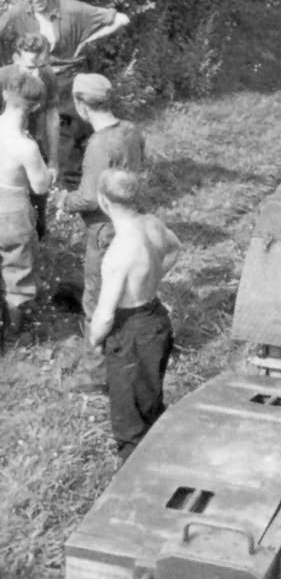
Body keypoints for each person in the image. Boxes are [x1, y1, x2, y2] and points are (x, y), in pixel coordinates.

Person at [0, 0, 130, 184]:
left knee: (69, 139)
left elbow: (121, 19)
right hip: (34, 81)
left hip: (68, 82)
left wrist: (88, 41)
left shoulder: (71, 8)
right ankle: (38, 185)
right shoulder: (18, 13)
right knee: (32, 134)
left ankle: (75, 193)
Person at [59, 73, 145, 391]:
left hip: (103, 227)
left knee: (96, 295)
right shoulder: (130, 130)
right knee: (126, 287)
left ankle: (95, 371)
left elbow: (89, 197)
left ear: (82, 105)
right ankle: (128, 345)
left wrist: (63, 200)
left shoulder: (98, 145)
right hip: (130, 217)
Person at [89, 169, 180, 460]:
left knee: (129, 420)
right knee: (150, 397)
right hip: (156, 318)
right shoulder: (152, 224)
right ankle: (160, 456)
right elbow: (176, 248)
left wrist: (94, 340)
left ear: (104, 201)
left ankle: (134, 476)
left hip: (131, 330)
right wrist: (153, 279)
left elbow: (104, 315)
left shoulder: (119, 253)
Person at [0, 72, 51, 344]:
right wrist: (49, 172)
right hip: (12, 211)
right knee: (18, 270)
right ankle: (16, 332)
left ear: (6, 95)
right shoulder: (26, 146)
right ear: (35, 106)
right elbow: (40, 187)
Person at [0, 33, 59, 240]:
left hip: (34, 144)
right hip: (7, 144)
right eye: (29, 67)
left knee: (38, 198)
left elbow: (52, 116)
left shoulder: (48, 76)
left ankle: (36, 240)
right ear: (16, 58)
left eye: (38, 67)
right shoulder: (4, 77)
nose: (34, 75)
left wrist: (53, 160)